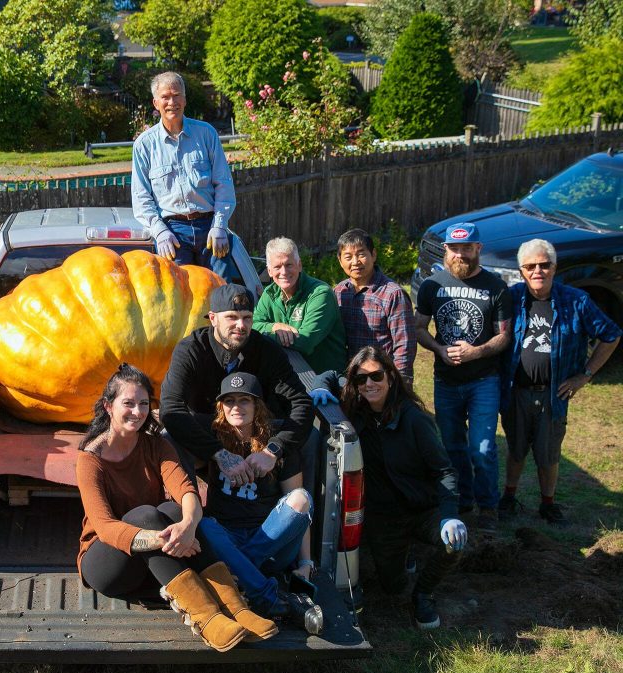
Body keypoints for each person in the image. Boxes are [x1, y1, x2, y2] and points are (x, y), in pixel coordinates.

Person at [76, 364, 278, 651]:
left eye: (144, 403)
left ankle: (235, 608)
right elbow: (105, 527)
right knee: (148, 515)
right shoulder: (90, 459)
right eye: (128, 403)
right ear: (109, 406)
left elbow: (186, 490)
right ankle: (206, 618)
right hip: (108, 563)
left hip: (154, 559)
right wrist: (165, 537)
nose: (137, 411)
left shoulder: (157, 445)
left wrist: (187, 526)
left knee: (174, 512)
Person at [319, 346, 467, 629]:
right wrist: (318, 387)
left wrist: (450, 514)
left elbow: (444, 469)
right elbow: (330, 375)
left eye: (376, 376)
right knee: (391, 586)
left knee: (454, 545)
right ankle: (404, 555)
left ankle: (424, 594)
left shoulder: (414, 419)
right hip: (384, 518)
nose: (369, 384)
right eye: (361, 379)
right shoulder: (356, 409)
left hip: (422, 508)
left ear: (390, 376)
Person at [499, 239, 621, 525]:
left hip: (554, 394)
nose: (538, 270)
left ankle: (548, 503)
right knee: (515, 449)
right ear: (521, 271)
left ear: (555, 267)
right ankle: (508, 497)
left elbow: (611, 335)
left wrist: (585, 375)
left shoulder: (576, 301)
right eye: (531, 266)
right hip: (516, 391)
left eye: (544, 264)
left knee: (548, 454)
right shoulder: (512, 299)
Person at [198, 372, 324, 634]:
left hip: (270, 545)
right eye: (229, 401)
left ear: (258, 406)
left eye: (245, 400)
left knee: (302, 499)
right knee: (205, 526)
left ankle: (242, 575)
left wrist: (306, 563)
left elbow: (297, 505)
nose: (236, 407)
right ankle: (265, 593)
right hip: (227, 539)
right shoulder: (210, 439)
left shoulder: (277, 443)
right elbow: (176, 423)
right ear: (220, 407)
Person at [160, 283, 314, 489]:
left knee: (311, 436)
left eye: (247, 318)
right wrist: (218, 453)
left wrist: (274, 450)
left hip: (257, 431)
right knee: (169, 437)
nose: (241, 325)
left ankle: (301, 511)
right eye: (232, 317)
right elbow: (171, 408)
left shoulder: (268, 350)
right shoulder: (190, 350)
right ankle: (189, 510)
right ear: (213, 318)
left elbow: (301, 403)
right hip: (208, 431)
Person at [415, 223, 512, 533]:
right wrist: (439, 349)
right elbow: (419, 328)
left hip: (483, 379)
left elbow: (504, 337)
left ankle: (488, 507)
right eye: (454, 249)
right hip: (445, 380)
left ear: (478, 249)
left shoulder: (496, 287)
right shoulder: (432, 285)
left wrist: (476, 352)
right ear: (446, 249)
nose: (459, 254)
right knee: (453, 446)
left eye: (466, 248)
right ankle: (463, 499)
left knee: (482, 448)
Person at [131, 71, 239, 280]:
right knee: (182, 299)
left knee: (222, 292)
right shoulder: (144, 145)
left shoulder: (206, 134)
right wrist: (160, 232)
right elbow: (141, 198)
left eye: (177, 95)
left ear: (185, 99)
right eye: (165, 97)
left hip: (209, 226)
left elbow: (223, 184)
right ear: (156, 103)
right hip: (173, 233)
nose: (172, 102)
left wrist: (220, 226)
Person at [333, 229, 417, 384]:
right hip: (350, 378)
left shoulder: (393, 294)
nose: (355, 261)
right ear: (340, 261)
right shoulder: (339, 292)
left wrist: (398, 383)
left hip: (383, 379)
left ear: (374, 255)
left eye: (361, 254)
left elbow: (405, 346)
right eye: (348, 257)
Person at [253, 237, 347, 375]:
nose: (284, 272)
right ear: (269, 271)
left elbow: (305, 341)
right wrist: (274, 327)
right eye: (277, 267)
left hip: (326, 381)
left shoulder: (321, 294)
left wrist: (267, 335)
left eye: (289, 265)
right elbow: (253, 324)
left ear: (299, 265)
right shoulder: (270, 293)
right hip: (290, 375)